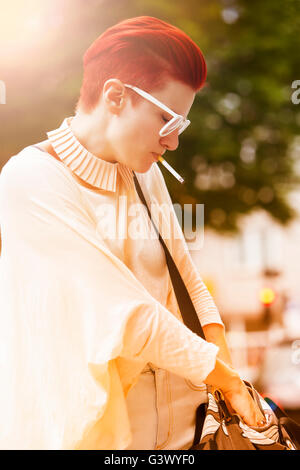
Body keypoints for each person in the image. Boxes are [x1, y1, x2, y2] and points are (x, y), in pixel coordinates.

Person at [0, 16, 265, 450]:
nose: (173, 141)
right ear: (116, 96)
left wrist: (229, 382)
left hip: (187, 434)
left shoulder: (143, 172)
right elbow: (126, 314)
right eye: (166, 120)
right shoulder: (31, 180)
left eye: (180, 125)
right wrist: (228, 380)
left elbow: (186, 277)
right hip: (95, 438)